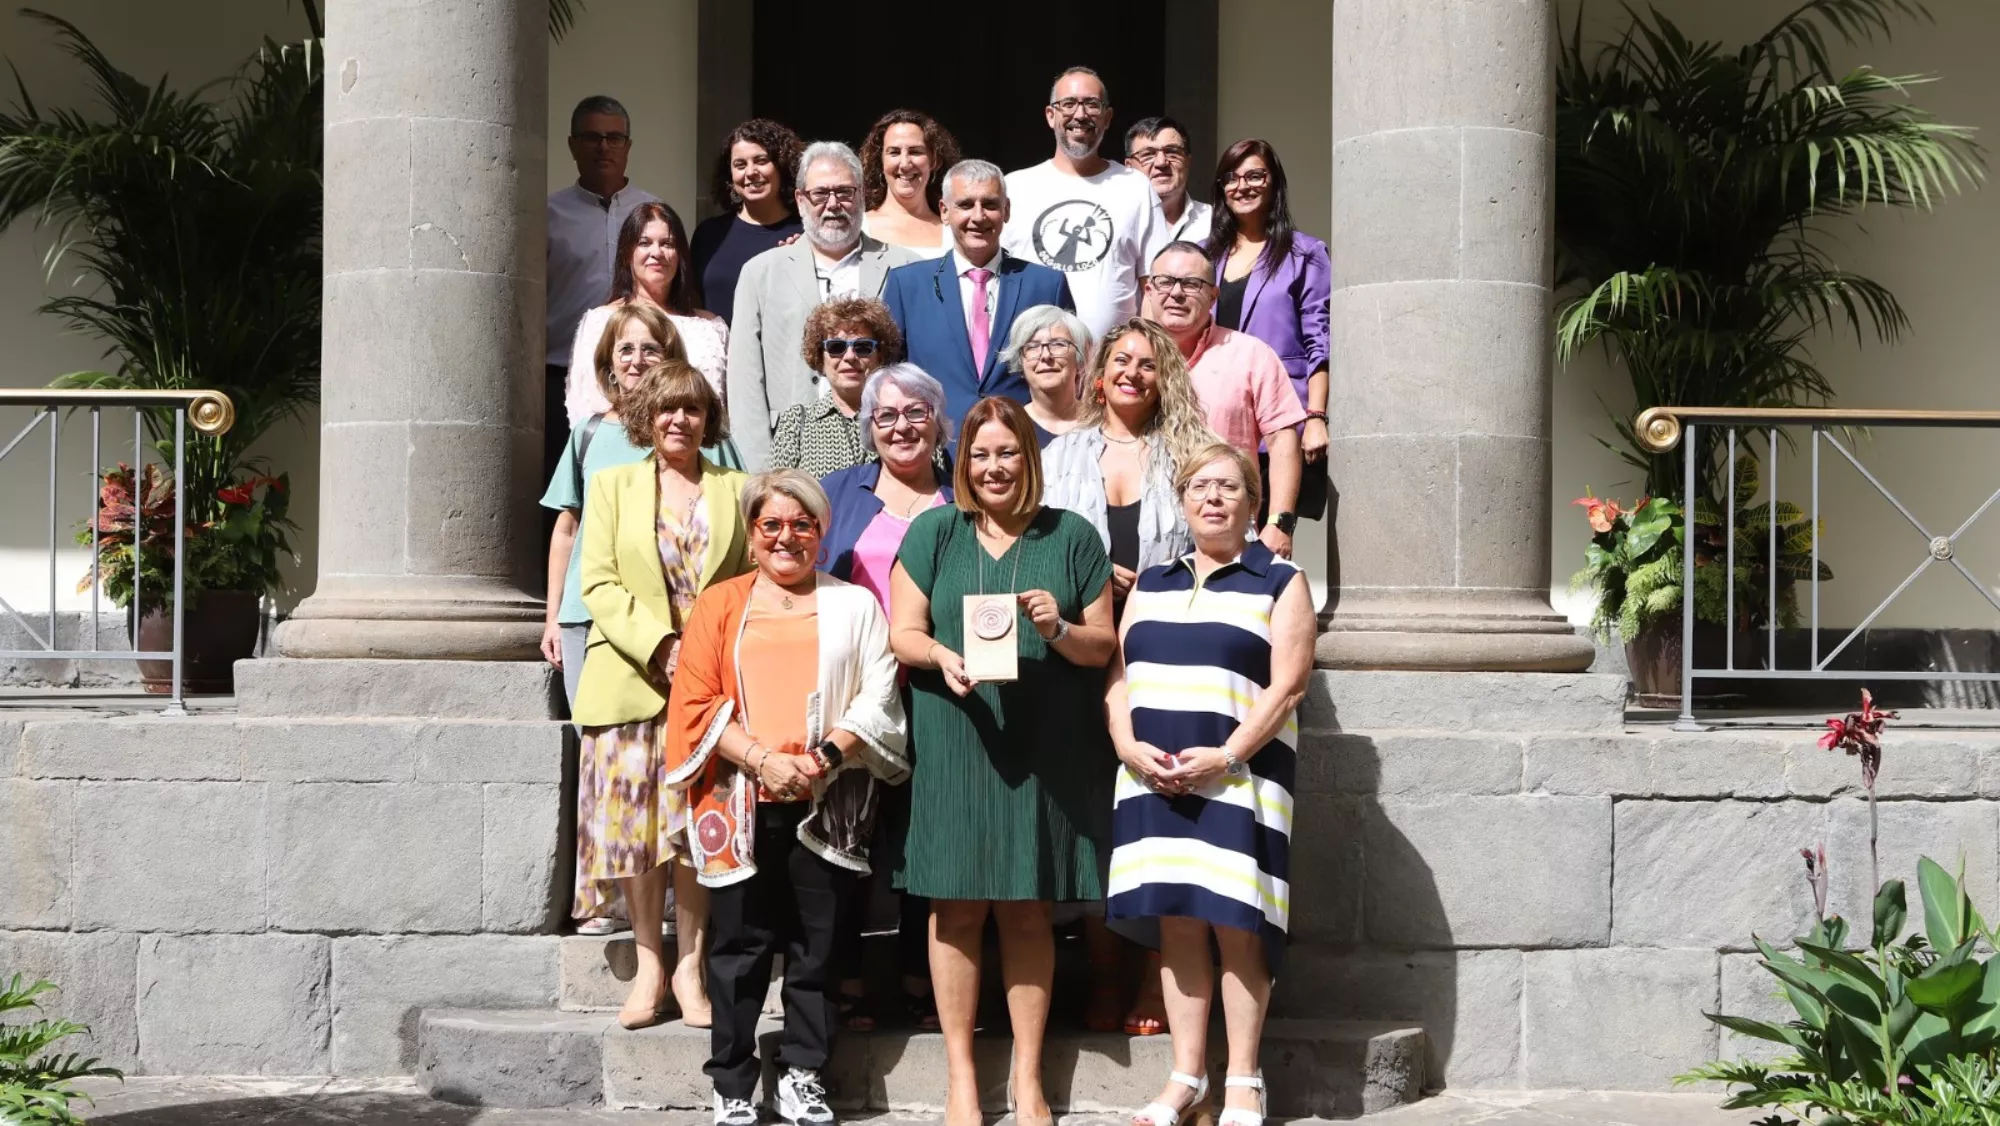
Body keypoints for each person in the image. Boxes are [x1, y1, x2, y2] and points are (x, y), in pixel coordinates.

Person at [888, 397, 1118, 1126]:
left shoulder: (1072, 536)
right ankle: (961, 1077)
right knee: (954, 909)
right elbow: (903, 632)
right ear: (963, 463)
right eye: (981, 454)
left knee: (1028, 908)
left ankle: (1026, 1080)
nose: (993, 467)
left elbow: (1102, 646)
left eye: (1008, 452)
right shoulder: (935, 532)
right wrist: (941, 656)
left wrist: (1057, 628)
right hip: (957, 737)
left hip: (1046, 745)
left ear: (1030, 459)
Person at [665, 469, 907, 1126]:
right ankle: (734, 1084)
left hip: (828, 799)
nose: (786, 537)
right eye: (771, 524)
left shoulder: (855, 604)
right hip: (738, 797)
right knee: (739, 948)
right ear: (751, 533)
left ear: (822, 533)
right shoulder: (719, 604)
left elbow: (879, 695)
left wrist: (820, 758)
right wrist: (765, 760)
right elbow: (692, 700)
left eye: (802, 524)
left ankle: (804, 1073)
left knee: (818, 947)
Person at [1106, 443, 1313, 1126]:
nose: (1214, 497)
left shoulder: (1281, 579)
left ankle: (1245, 1082)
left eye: (1229, 486)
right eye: (1200, 486)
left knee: (1238, 926)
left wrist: (1224, 755)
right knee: (1178, 923)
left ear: (1254, 502)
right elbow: (1118, 673)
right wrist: (1126, 744)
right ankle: (1187, 1076)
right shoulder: (1153, 581)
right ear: (1182, 498)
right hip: (1150, 776)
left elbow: (1288, 687)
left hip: (1239, 778)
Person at [573, 362, 753, 1031]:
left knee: (692, 831)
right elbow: (598, 583)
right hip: (630, 680)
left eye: (694, 410)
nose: (681, 421)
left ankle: (692, 965)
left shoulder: (737, 488)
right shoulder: (612, 484)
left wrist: (701, 657)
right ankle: (651, 963)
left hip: (708, 688)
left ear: (709, 419)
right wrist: (661, 646)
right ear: (647, 416)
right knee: (635, 833)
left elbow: (748, 582)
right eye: (669, 409)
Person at [820, 364, 955, 1034]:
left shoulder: (964, 496)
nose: (901, 426)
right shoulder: (836, 493)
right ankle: (842, 978)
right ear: (868, 428)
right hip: (857, 696)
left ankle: (916, 976)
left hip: (940, 693)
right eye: (886, 416)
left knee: (921, 842)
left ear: (938, 420)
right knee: (846, 837)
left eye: (915, 412)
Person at [545, 306, 688, 936]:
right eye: (624, 351)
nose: (635, 360)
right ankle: (602, 897)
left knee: (667, 758)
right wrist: (553, 616)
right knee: (602, 759)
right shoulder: (589, 433)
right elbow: (566, 528)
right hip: (588, 615)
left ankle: (673, 893)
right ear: (607, 364)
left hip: (670, 620)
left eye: (649, 350)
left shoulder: (689, 428)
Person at [729, 142, 918, 472]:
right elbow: (746, 385)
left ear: (862, 196)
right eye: (820, 194)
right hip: (792, 455)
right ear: (801, 200)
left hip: (886, 454)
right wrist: (761, 477)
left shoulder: (905, 266)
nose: (833, 204)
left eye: (844, 192)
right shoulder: (761, 273)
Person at [1141, 241, 1305, 558]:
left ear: (1213, 296)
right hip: (1145, 536)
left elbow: (1283, 440)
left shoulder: (1250, 354)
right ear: (1149, 289)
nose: (1176, 293)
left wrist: (1280, 523)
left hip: (1229, 536)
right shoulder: (1127, 360)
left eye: (1192, 284)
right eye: (1166, 282)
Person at [884, 161, 1074, 433]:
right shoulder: (906, 285)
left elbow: (1068, 373)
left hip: (1026, 446)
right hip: (936, 453)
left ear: (1006, 211)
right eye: (965, 204)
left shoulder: (1046, 285)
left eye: (990, 204)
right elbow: (887, 377)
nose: (978, 216)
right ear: (944, 211)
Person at [546, 95, 661, 527]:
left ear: (628, 145)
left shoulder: (653, 212)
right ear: (573, 145)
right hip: (560, 377)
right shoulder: (548, 215)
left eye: (614, 137)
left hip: (641, 376)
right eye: (592, 137)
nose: (603, 147)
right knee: (570, 501)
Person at [1207, 140, 1331, 521]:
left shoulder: (1304, 253)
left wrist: (1315, 416)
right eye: (1231, 177)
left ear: (1274, 183)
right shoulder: (1204, 255)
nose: (1242, 185)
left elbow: (1319, 339)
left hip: (1276, 424)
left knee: (1268, 539)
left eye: (1255, 175)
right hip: (1212, 417)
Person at [568, 202, 742, 468]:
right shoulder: (600, 321)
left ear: (680, 254)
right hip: (619, 465)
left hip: (700, 468)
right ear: (628, 252)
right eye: (645, 242)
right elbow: (584, 405)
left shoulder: (710, 327)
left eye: (668, 244)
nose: (656, 253)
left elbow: (728, 410)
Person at [1002, 67, 1166, 340]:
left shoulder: (1135, 187)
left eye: (1092, 104)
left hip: (1112, 369)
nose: (1080, 114)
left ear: (1108, 117)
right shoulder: (1016, 187)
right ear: (1050, 116)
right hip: (1032, 367)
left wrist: (1143, 349)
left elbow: (1153, 283)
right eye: (1068, 104)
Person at [771, 298, 905, 479]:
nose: (850, 356)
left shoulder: (907, 418)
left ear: (880, 356)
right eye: (836, 347)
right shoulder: (795, 424)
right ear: (820, 358)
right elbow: (779, 496)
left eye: (863, 347)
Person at [691, 119, 805, 326]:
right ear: (730, 176)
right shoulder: (709, 234)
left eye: (761, 160)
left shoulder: (804, 234)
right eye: (740, 165)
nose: (751, 172)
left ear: (782, 166)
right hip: (717, 354)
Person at [860, 109, 961, 258]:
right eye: (894, 152)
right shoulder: (859, 228)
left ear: (935, 161)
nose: (905, 164)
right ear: (880, 160)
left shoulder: (952, 232)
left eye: (915, 152)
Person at [998, 305, 1092, 446]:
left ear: (1080, 358)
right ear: (1020, 362)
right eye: (1033, 347)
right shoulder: (1008, 428)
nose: (1046, 355)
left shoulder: (1101, 425)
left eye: (1058, 344)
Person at [1125, 116, 1211, 246]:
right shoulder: (1114, 221)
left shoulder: (1213, 222)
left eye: (1172, 152)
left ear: (1188, 161)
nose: (1161, 162)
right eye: (1148, 154)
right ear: (1129, 166)